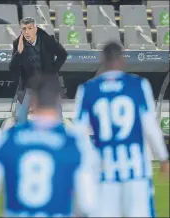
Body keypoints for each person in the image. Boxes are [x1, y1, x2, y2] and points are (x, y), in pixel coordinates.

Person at [0, 75, 98, 217]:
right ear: (59, 101)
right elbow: (88, 203)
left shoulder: (7, 139)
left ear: (33, 101)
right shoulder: (75, 143)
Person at [74, 42, 169, 217]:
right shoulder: (138, 85)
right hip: (135, 171)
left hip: (104, 170)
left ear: (102, 59)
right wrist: (163, 157)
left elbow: (78, 133)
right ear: (122, 59)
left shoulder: (88, 89)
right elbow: (149, 125)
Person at [9, 17, 68, 124]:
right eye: (24, 29)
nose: (27, 32)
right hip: (28, 84)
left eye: (30, 28)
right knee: (19, 117)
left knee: (57, 117)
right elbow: (12, 69)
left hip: (48, 83)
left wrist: (52, 72)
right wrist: (19, 52)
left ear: (35, 29)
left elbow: (63, 55)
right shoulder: (18, 43)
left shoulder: (48, 39)